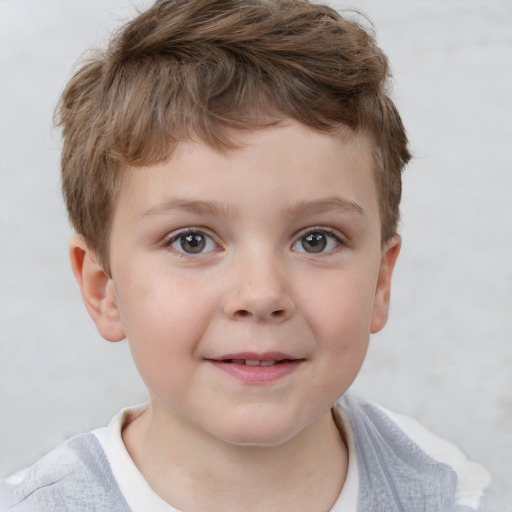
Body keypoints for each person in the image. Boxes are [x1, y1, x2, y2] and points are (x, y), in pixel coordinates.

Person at [0, 0, 491, 510]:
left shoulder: (453, 492)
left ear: (380, 284)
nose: (261, 295)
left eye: (316, 239)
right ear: (103, 289)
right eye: (192, 240)